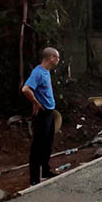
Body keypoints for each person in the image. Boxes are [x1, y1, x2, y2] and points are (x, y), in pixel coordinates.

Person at [21, 47, 60, 186]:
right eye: (57, 57)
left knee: (47, 144)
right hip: (41, 114)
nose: (58, 60)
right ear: (51, 58)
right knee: (38, 145)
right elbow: (26, 89)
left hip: (49, 113)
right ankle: (34, 178)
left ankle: (45, 170)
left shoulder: (46, 72)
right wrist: (36, 102)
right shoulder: (37, 72)